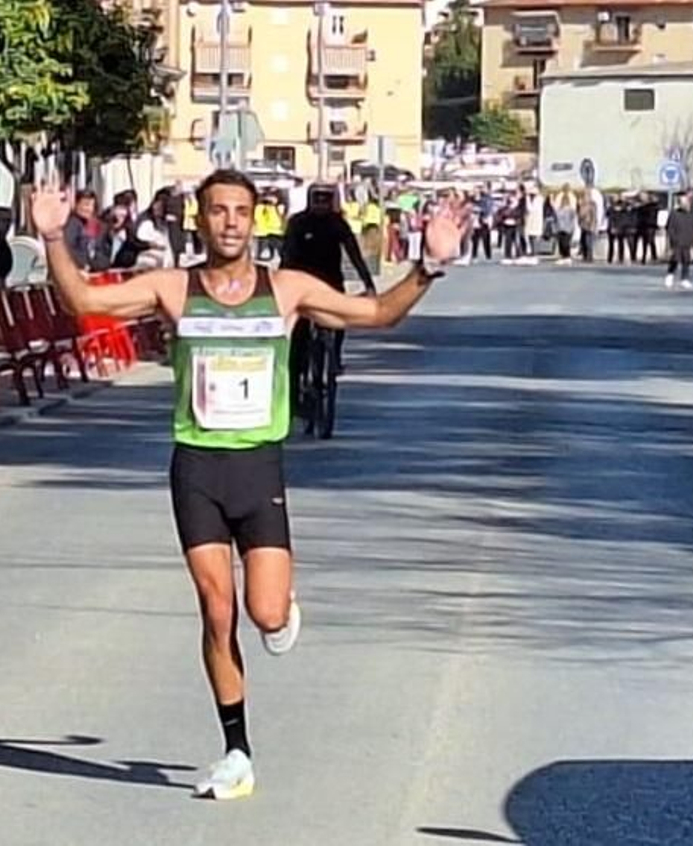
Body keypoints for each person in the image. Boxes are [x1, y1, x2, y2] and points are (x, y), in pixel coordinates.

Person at [32, 168, 465, 801]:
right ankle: (236, 751)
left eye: (240, 211)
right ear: (199, 220)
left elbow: (374, 314)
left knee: (263, 613)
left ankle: (282, 604)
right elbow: (85, 303)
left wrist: (426, 266)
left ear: (254, 220)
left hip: (258, 466)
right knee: (216, 610)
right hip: (197, 467)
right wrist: (51, 238)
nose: (229, 221)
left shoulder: (285, 290)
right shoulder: (173, 288)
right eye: (217, 211)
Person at [281, 183, 378, 403]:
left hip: (330, 284)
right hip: (301, 287)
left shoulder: (337, 223)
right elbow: (286, 256)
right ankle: (295, 389)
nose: (321, 205)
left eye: (326, 200)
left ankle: (334, 356)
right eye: (317, 199)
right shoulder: (298, 222)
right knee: (298, 340)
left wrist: (368, 283)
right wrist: (282, 287)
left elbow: (354, 254)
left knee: (338, 319)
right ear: (309, 200)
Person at [665, 193, 693, 291]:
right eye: (684, 202)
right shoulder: (674, 214)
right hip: (677, 241)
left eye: (687, 202)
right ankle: (670, 275)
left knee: (686, 261)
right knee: (675, 259)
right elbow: (670, 228)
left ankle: (684, 279)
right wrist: (673, 239)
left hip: (687, 241)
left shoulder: (692, 214)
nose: (686, 204)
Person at [64, 190, 100, 269]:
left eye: (92, 205)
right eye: (86, 204)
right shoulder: (73, 224)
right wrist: (82, 265)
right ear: (76, 204)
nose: (90, 209)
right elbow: (67, 248)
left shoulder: (82, 224)